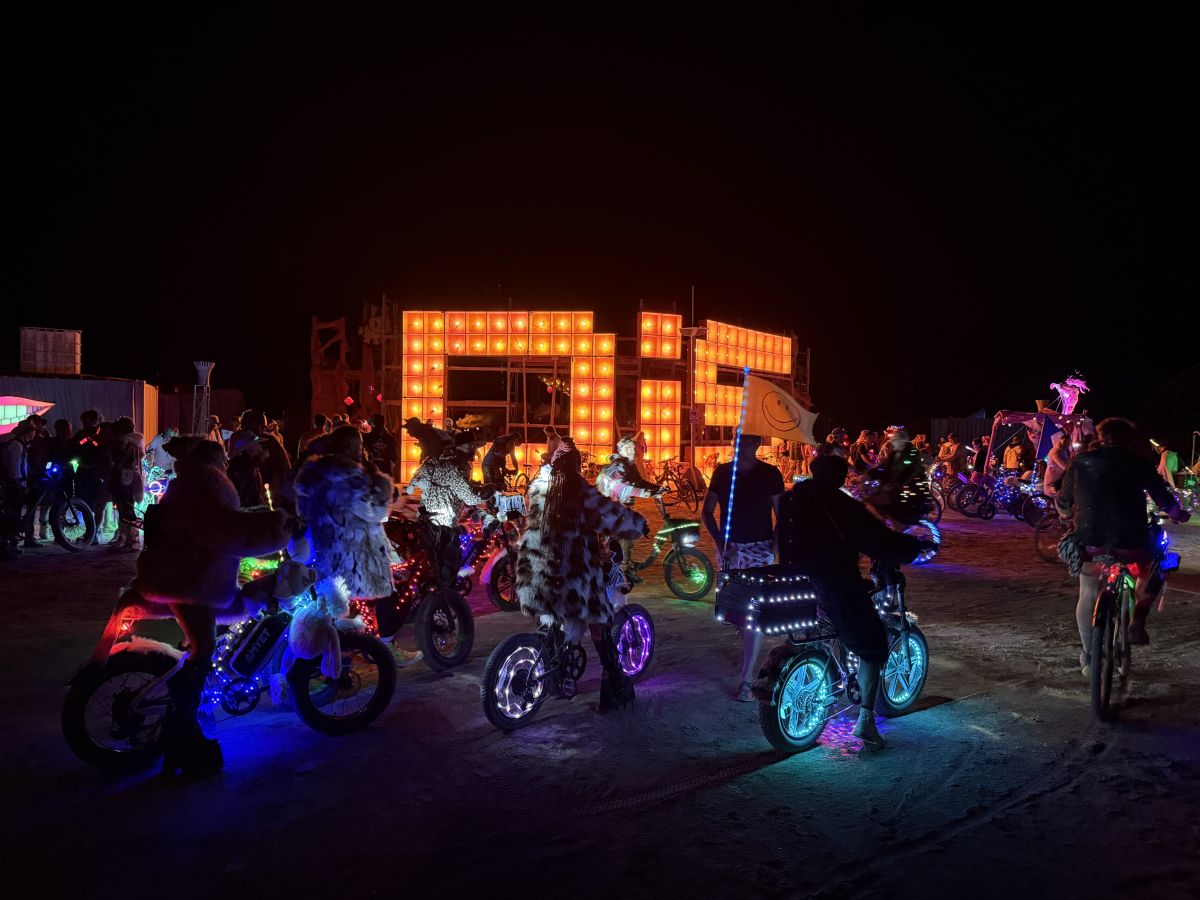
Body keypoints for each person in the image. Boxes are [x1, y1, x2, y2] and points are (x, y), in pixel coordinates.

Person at [127, 437, 292, 776]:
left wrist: (267, 518)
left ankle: (183, 722)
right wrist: (280, 528)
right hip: (190, 583)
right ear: (212, 461)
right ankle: (183, 731)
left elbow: (228, 520)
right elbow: (228, 532)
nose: (227, 464)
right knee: (203, 651)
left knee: (208, 640)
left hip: (189, 576)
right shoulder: (205, 485)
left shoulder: (192, 484)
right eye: (222, 459)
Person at [773, 452, 929, 749]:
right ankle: (866, 722)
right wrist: (912, 546)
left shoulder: (792, 499)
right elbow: (877, 539)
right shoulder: (841, 504)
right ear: (840, 477)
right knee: (873, 647)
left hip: (796, 580)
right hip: (833, 583)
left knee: (825, 628)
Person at [515, 438, 648, 711]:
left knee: (554, 619)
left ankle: (559, 678)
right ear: (576, 467)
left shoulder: (538, 488)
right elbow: (610, 514)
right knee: (599, 619)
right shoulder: (579, 492)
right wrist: (638, 524)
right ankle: (616, 687)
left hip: (535, 574)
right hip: (571, 577)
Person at [1056, 418, 1189, 664]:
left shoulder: (1080, 462)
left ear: (1098, 436)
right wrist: (1180, 514)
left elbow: (1064, 501)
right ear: (1129, 439)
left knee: (1088, 590)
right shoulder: (1139, 464)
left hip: (1090, 541)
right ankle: (1138, 619)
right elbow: (1164, 501)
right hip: (1131, 541)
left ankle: (1089, 655)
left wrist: (1066, 516)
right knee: (1155, 567)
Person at [294, 424, 420, 667]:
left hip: (319, 549)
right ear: (351, 447)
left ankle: (348, 640)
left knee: (337, 604)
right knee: (397, 590)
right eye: (359, 445)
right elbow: (374, 507)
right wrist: (384, 491)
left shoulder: (314, 470)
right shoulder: (350, 474)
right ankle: (387, 645)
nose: (362, 449)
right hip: (350, 552)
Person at [701, 433, 786, 701]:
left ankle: (747, 678)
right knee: (735, 612)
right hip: (731, 550)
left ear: (757, 444)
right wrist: (720, 542)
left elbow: (782, 514)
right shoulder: (723, 472)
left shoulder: (770, 474)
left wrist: (774, 546)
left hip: (759, 550)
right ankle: (751, 651)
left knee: (752, 615)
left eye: (745, 440)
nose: (739, 444)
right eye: (736, 439)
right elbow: (707, 511)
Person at [596, 435, 664, 576]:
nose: (632, 451)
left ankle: (624, 561)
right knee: (629, 528)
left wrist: (658, 488)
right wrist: (643, 493)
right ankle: (624, 567)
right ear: (620, 450)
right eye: (628, 449)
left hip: (616, 505)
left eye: (633, 448)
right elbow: (620, 487)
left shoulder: (629, 465)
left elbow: (639, 482)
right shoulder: (618, 466)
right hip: (606, 508)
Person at [109, 417, 145, 551]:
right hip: (121, 477)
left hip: (128, 477)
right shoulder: (132, 440)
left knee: (127, 509)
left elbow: (121, 460)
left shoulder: (132, 440)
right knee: (122, 509)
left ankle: (134, 538)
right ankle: (124, 537)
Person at [1, 422, 35, 559]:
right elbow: (14, 470)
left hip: (15, 485)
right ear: (28, 432)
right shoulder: (17, 446)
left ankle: (12, 545)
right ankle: (5, 547)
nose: (34, 434)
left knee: (14, 514)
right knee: (11, 516)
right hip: (12, 486)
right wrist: (20, 487)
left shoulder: (20, 445)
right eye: (33, 431)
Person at [1043, 431, 1071, 496]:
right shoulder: (1055, 451)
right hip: (1053, 483)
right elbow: (1063, 465)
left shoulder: (1063, 450)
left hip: (1060, 480)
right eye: (1066, 441)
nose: (1068, 444)